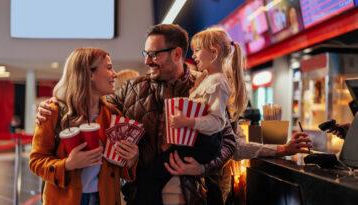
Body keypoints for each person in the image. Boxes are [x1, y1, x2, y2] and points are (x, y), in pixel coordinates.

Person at [36, 24, 312, 205]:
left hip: (196, 194)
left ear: (178, 53)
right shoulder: (131, 90)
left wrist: (204, 166)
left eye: (154, 54)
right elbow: (90, 104)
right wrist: (51, 106)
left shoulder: (206, 88)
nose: (146, 61)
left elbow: (230, 142)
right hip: (142, 196)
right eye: (145, 54)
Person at [141, 27, 247, 205]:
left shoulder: (218, 82)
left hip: (203, 145)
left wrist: (186, 121)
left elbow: (217, 122)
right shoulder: (207, 79)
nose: (194, 55)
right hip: (200, 144)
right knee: (153, 178)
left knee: (151, 178)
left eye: (198, 50)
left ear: (214, 52)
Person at [29, 47, 139, 205]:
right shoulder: (53, 112)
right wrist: (67, 164)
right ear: (90, 74)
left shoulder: (113, 114)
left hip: (104, 198)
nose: (114, 74)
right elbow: (35, 161)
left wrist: (131, 159)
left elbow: (119, 169)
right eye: (108, 68)